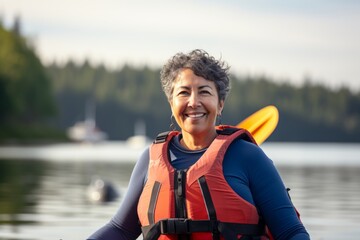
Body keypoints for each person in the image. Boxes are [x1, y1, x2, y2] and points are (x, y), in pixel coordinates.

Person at [87, 49, 310, 240]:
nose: (194, 102)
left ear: (220, 103)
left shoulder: (248, 157)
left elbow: (291, 232)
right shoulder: (150, 159)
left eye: (204, 91)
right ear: (171, 103)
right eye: (183, 93)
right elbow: (120, 230)